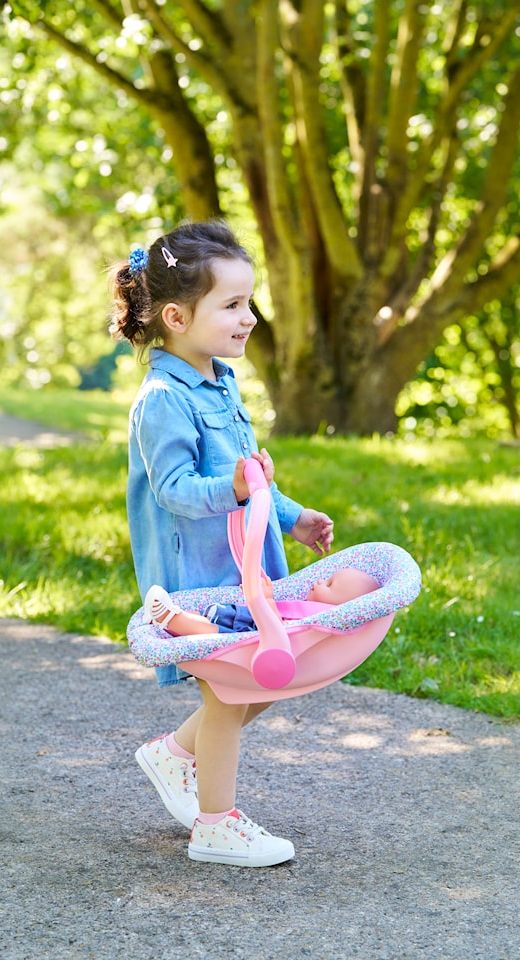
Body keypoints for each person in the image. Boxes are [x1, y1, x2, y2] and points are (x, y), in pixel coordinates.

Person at [109, 219, 334, 867]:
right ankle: (216, 824)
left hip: (244, 566)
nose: (250, 318)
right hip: (199, 578)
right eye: (233, 305)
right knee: (234, 690)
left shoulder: (222, 382)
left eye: (250, 302)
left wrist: (291, 517)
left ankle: (176, 755)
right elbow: (177, 489)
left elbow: (248, 474)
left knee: (269, 674)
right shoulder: (161, 400)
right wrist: (235, 486)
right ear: (177, 317)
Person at [143, 567, 380, 637]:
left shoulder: (318, 621)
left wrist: (265, 599)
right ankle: (176, 617)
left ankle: (172, 619)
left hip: (254, 638)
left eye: (328, 585)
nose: (318, 582)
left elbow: (283, 633)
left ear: (339, 607)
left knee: (216, 634)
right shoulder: (309, 608)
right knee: (211, 624)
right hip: (248, 623)